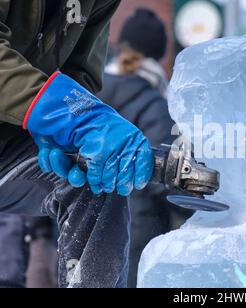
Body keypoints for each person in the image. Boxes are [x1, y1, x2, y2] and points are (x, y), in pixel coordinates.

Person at [0, 1, 154, 288]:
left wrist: (57, 131)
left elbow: (79, 70)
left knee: (96, 173)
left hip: (11, 145)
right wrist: (68, 114)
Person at [97, 8, 193, 288]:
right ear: (158, 55)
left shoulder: (90, 94)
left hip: (83, 223)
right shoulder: (153, 103)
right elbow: (167, 175)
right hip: (135, 230)